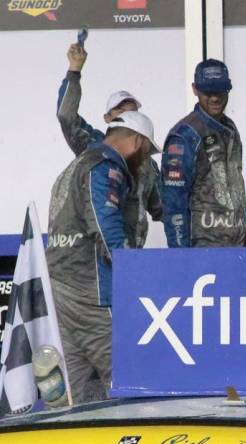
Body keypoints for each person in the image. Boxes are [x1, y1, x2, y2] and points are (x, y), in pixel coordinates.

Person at [47, 111, 159, 403]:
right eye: (147, 151)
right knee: (127, 376)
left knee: (75, 389)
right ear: (137, 141)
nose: (146, 160)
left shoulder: (77, 164)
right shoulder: (106, 165)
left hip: (60, 286)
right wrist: (131, 272)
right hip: (92, 290)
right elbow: (104, 222)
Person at [57, 43, 162, 247]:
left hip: (131, 253)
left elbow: (164, 207)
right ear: (108, 118)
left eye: (133, 113)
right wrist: (74, 70)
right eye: (121, 112)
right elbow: (66, 115)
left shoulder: (148, 164)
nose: (128, 117)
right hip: (100, 254)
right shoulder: (93, 147)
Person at [160, 59, 246, 247]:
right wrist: (181, 254)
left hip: (237, 246)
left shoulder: (230, 127)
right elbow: (174, 201)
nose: (215, 98)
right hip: (202, 247)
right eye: (208, 92)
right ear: (195, 89)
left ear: (229, 88)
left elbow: (235, 188)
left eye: (220, 90)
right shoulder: (185, 135)